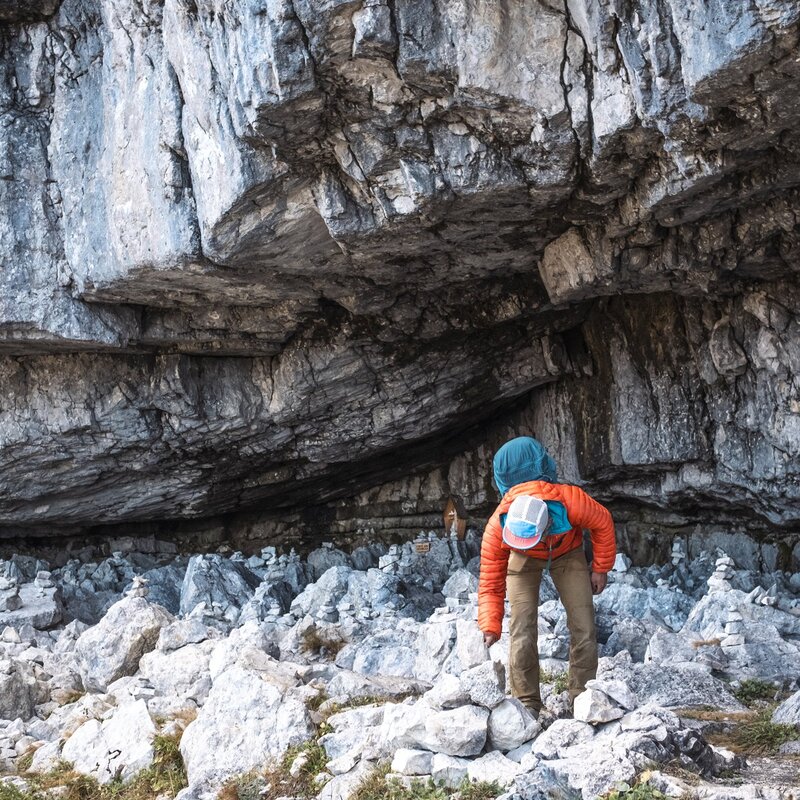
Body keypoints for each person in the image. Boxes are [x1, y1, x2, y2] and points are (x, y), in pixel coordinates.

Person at [477, 436, 616, 715]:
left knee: (584, 624)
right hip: (524, 558)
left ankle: (581, 697)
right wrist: (490, 625)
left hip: (567, 552)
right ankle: (527, 703)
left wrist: (600, 568)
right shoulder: (497, 524)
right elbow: (490, 580)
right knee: (522, 626)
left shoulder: (570, 501)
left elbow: (602, 522)